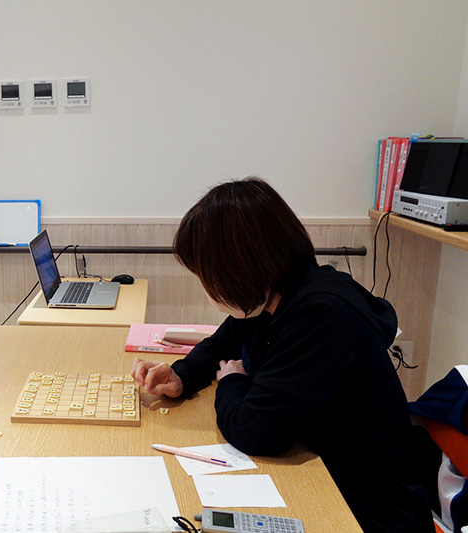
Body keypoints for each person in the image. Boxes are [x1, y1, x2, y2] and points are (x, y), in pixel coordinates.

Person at [131, 177, 434, 532]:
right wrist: (182, 375)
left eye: (208, 275)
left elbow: (256, 431)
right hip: (325, 470)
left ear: (242, 267)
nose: (208, 286)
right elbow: (222, 342)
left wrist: (230, 382)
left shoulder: (320, 315)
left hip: (369, 508)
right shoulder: (276, 295)